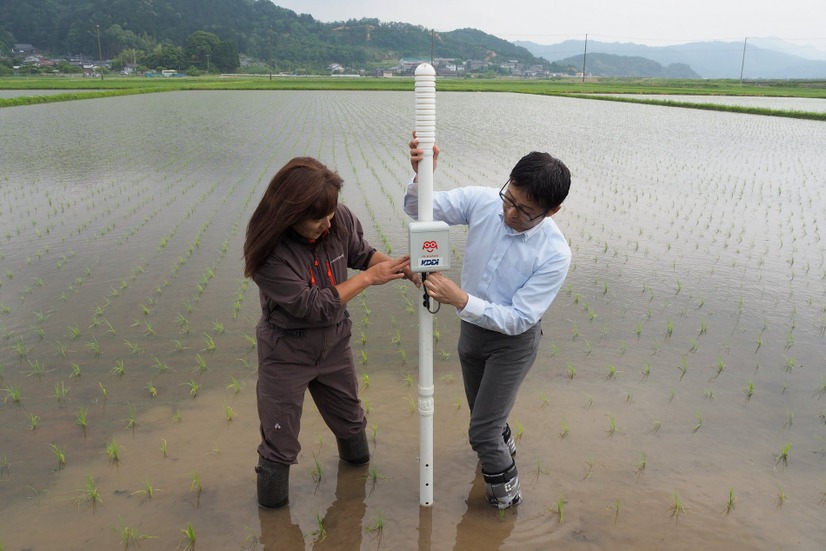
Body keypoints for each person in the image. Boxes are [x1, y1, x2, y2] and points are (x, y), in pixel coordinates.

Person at [405, 133, 571, 509]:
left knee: (481, 433)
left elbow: (519, 318)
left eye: (525, 211)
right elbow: (422, 210)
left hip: (512, 345)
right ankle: (503, 451)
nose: (511, 213)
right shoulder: (483, 202)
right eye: (510, 199)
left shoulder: (555, 254)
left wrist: (460, 299)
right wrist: (422, 177)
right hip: (472, 334)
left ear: (552, 211)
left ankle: (506, 504)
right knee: (486, 416)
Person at [244, 156, 417, 508]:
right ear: (288, 215)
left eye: (331, 214)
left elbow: (361, 252)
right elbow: (312, 305)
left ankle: (357, 488)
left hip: (334, 343)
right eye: (317, 219)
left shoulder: (337, 217)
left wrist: (401, 268)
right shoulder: (267, 251)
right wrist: (368, 279)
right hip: (286, 352)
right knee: (280, 442)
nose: (327, 224)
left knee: (351, 421)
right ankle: (274, 525)